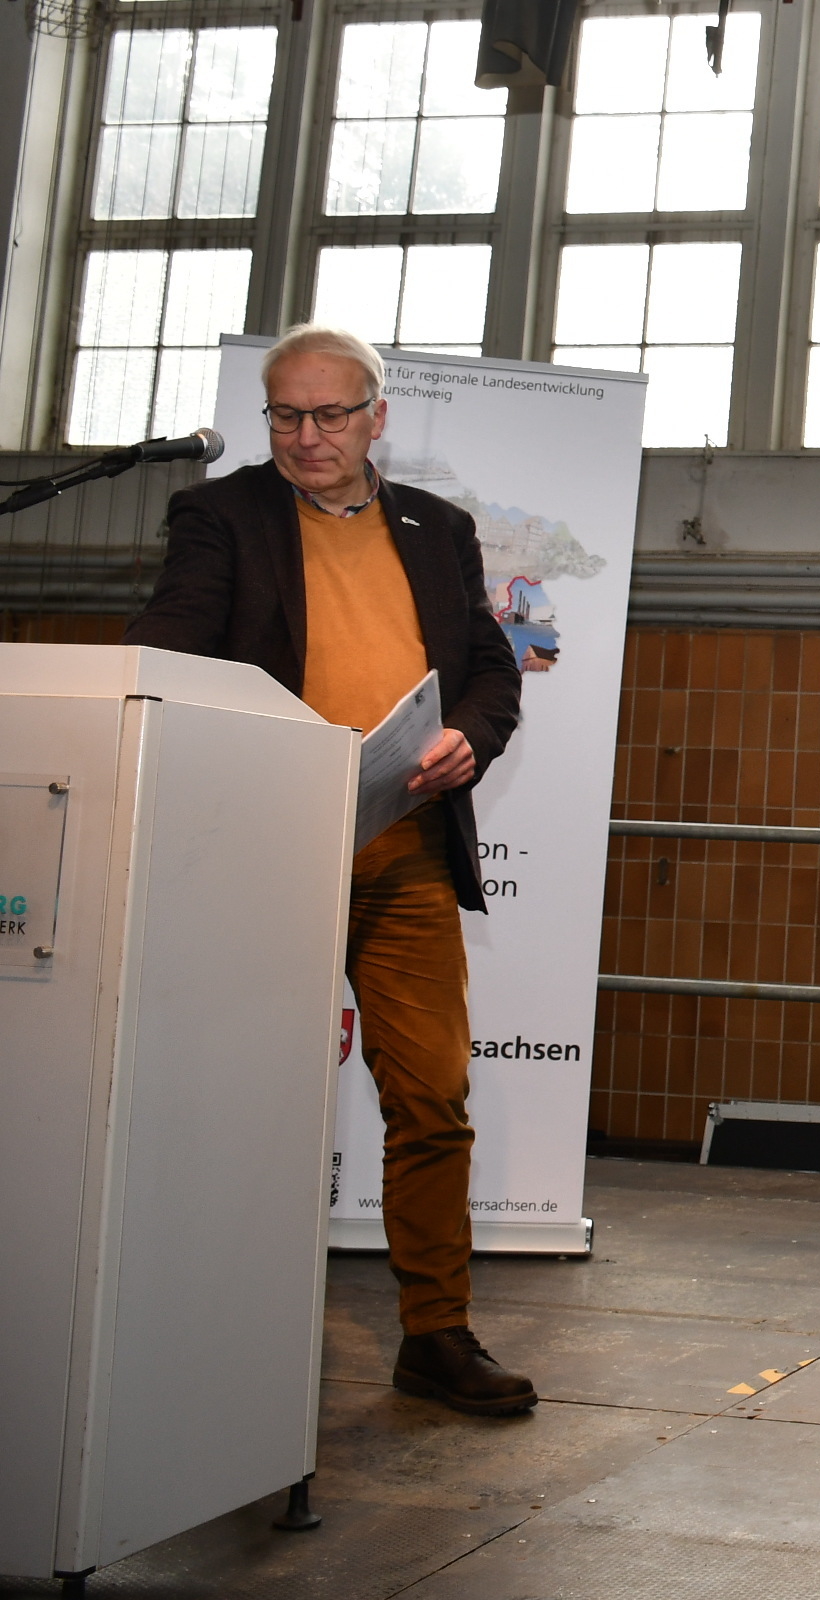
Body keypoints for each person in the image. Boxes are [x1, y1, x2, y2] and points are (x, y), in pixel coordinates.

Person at [126, 324, 530, 1415]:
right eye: (286, 415)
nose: (308, 436)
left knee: (433, 1095)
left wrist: (469, 737)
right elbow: (169, 651)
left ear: (375, 417)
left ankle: (435, 1334)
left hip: (404, 851)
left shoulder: (437, 528)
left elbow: (490, 671)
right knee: (244, 1097)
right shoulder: (221, 516)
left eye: (331, 414)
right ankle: (213, 1332)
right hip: (264, 855)